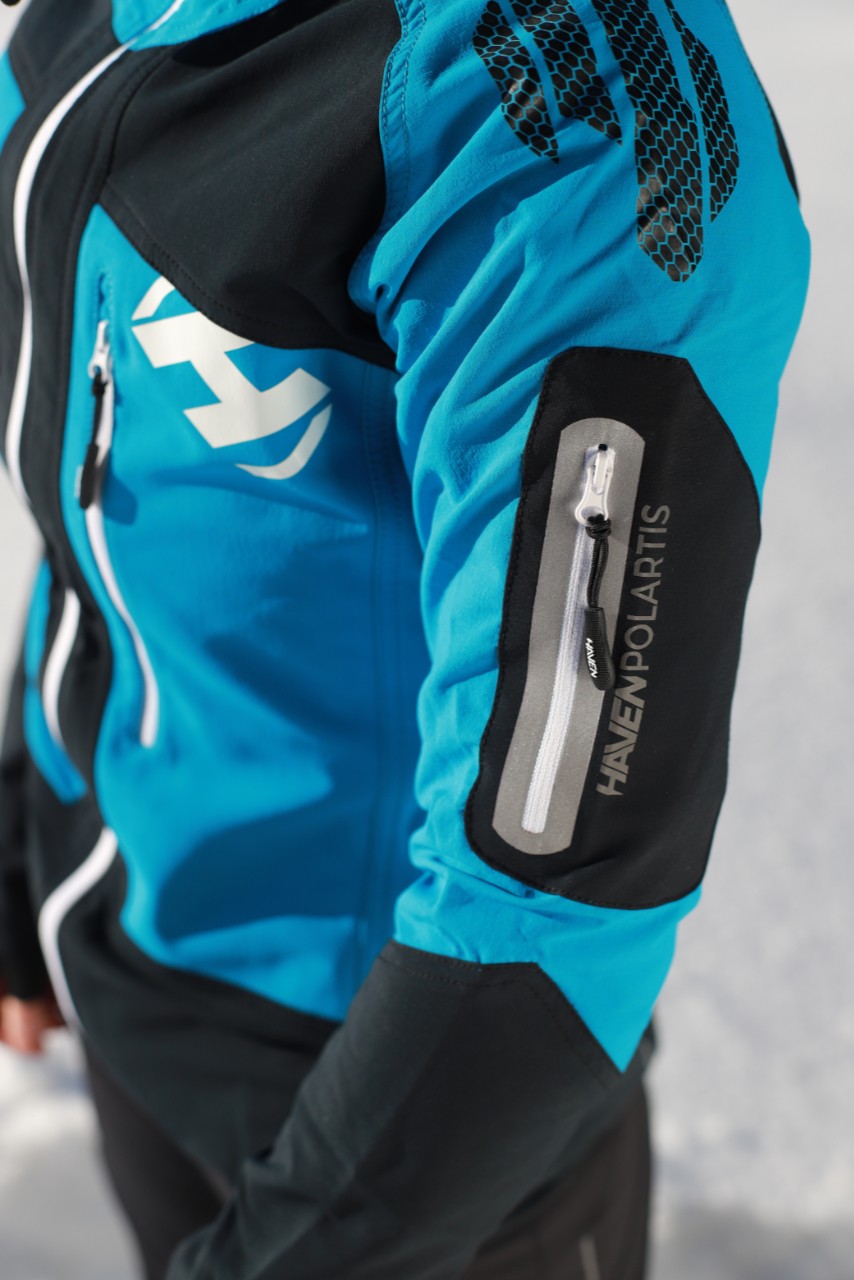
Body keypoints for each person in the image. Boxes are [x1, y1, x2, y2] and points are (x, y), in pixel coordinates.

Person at [0, 0, 809, 1277]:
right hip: (128, 972)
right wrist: (24, 846)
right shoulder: (109, 16)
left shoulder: (550, 107)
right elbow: (100, 490)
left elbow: (552, 889)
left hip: (418, 1122)